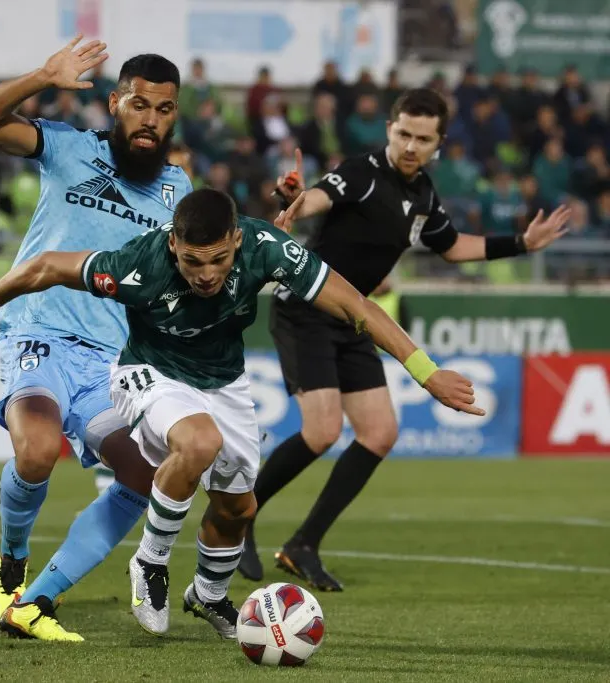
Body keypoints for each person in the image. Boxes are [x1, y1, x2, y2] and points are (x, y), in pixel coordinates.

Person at [0, 187, 481, 637]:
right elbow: (50, 265)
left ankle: (208, 594)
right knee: (198, 442)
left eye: (218, 259)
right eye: (192, 261)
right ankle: (151, 563)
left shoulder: (266, 248)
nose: (206, 274)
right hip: (150, 373)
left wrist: (425, 371)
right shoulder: (139, 265)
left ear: (236, 240)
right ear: (173, 246)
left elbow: (357, 307)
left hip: (225, 382)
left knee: (238, 509)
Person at [239, 88, 572, 590]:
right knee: (323, 430)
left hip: (356, 320)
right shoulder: (361, 172)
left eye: (423, 138)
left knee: (380, 434)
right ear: (390, 129)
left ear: (438, 143)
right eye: (403, 134)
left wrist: (521, 242)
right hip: (307, 309)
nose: (411, 146)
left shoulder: (424, 194)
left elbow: (453, 246)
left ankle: (304, 543)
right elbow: (315, 199)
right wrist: (292, 196)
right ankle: (239, 516)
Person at [0, 37, 192, 640]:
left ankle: (35, 602)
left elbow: (203, 265)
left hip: (110, 365)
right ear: (115, 103)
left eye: (164, 110)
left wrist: (270, 223)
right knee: (36, 452)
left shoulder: (176, 191)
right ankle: (12, 563)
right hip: (38, 333)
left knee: (142, 478)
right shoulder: (65, 147)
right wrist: (43, 74)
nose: (151, 120)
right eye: (139, 105)